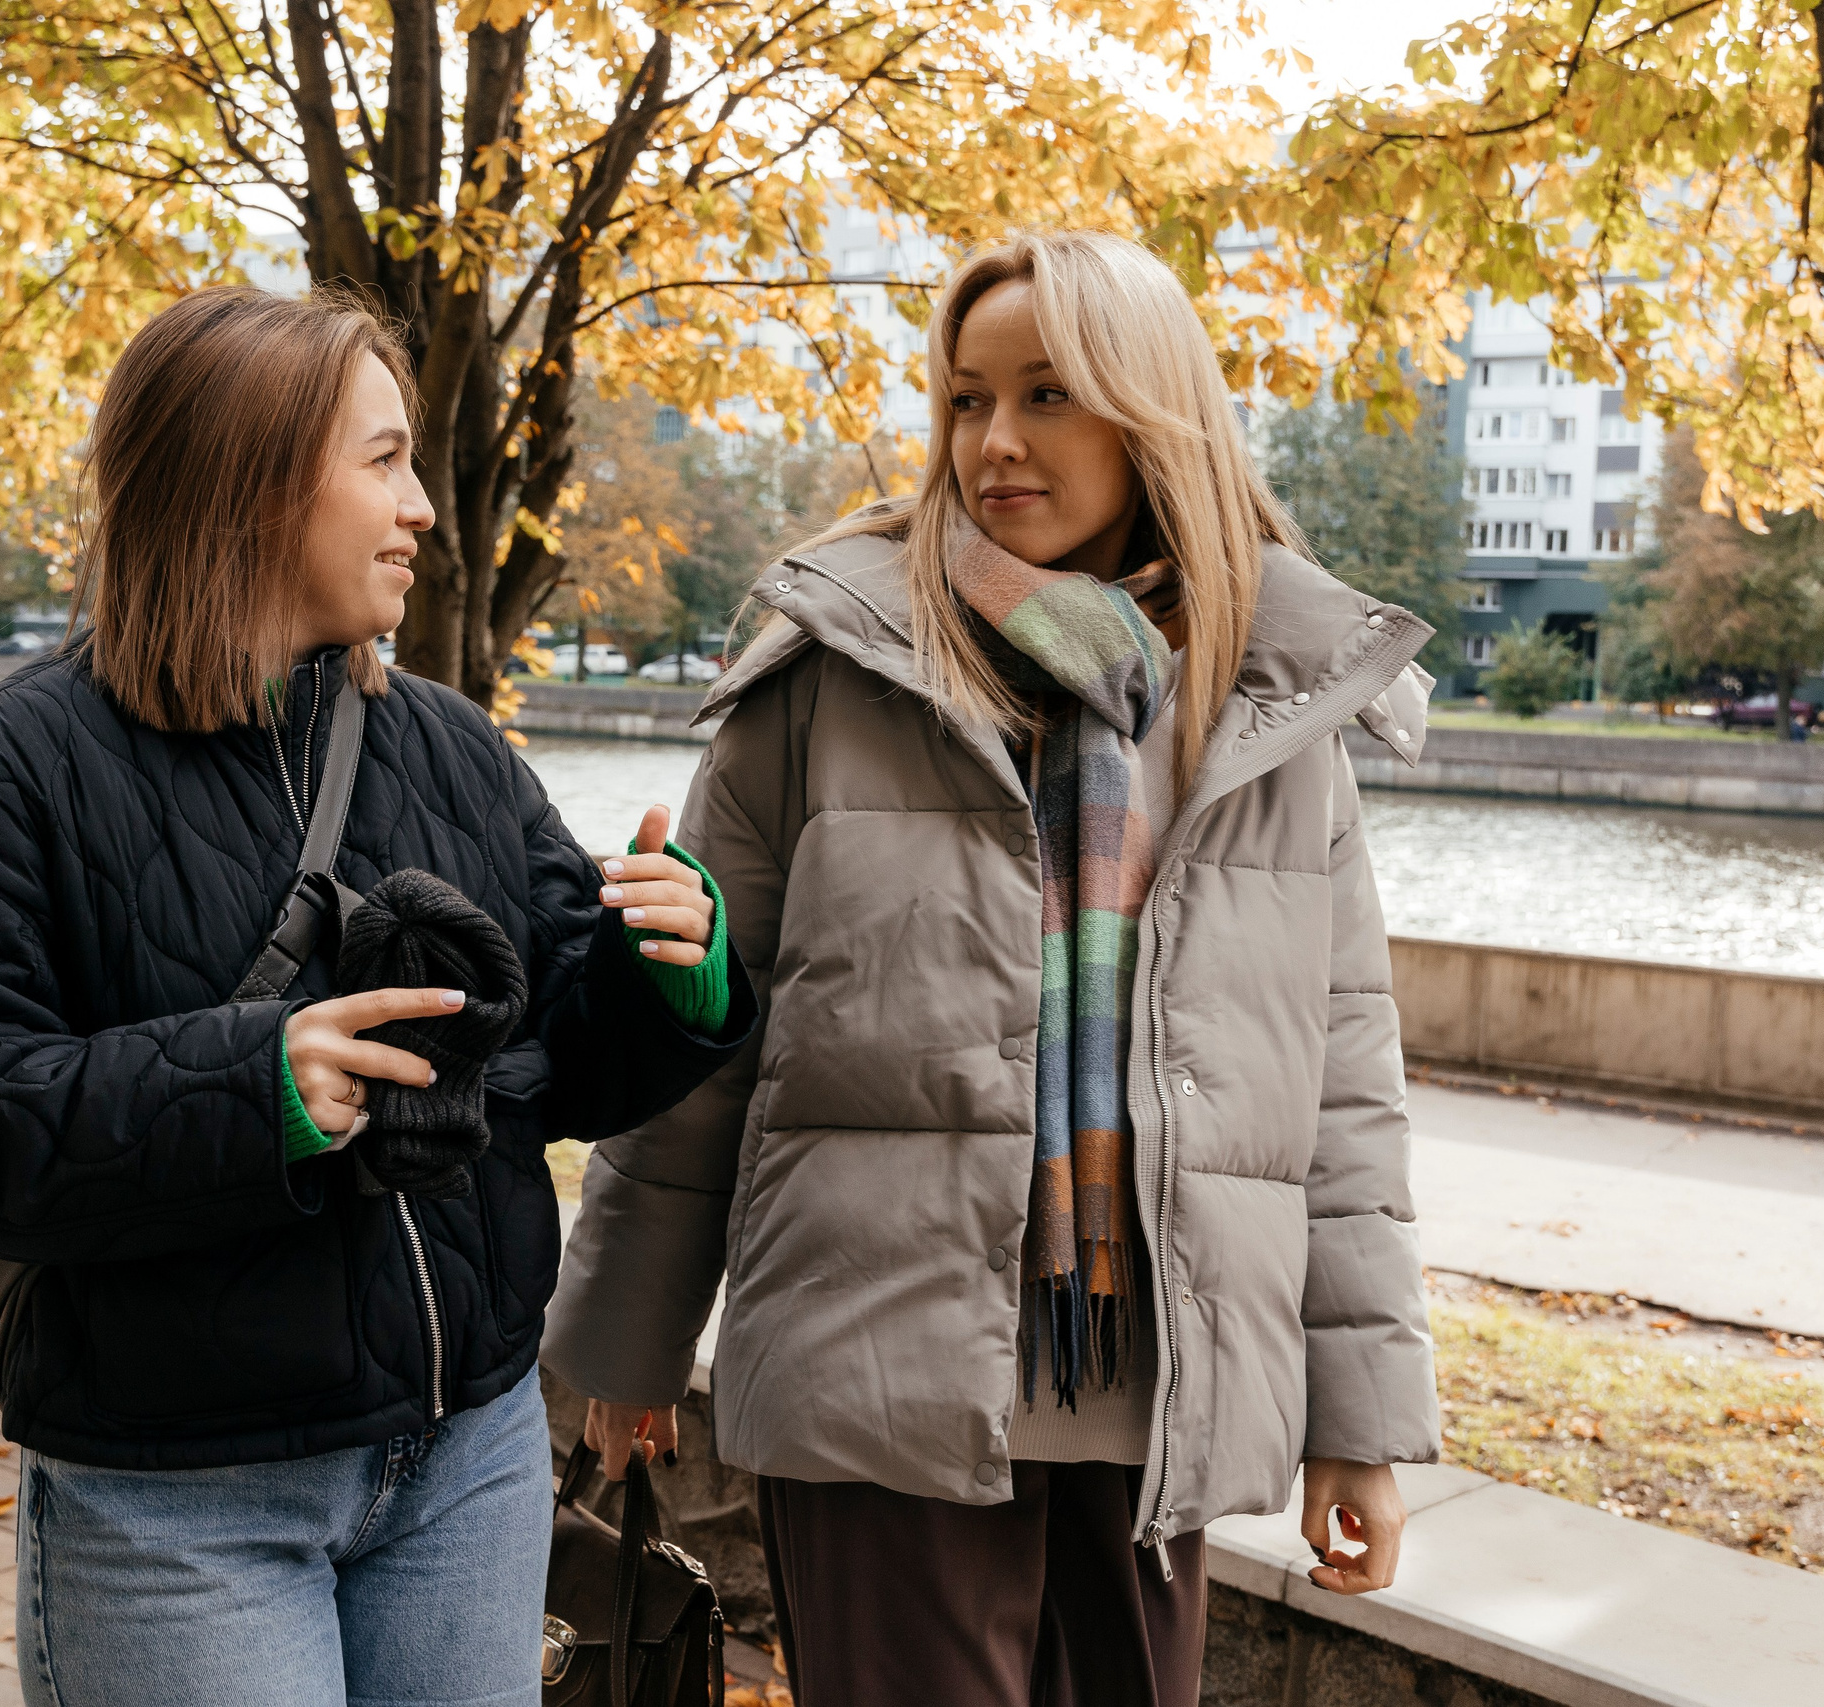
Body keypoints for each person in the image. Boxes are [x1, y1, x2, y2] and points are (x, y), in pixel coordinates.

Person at [542, 231, 1444, 1706]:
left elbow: (1338, 1104)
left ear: (1151, 415)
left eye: (1046, 397)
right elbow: (705, 1037)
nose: (995, 443)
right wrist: (632, 1342)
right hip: (875, 1379)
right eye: (967, 401)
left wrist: (1362, 1421)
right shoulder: (830, 666)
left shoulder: (1269, 705)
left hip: (1161, 1398)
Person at [0, 285, 753, 1707]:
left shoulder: (448, 745)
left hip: (470, 1457)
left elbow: (557, 1066)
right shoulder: (14, 769)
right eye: (382, 461)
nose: (426, 507)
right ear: (251, 485)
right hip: (182, 1502)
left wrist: (663, 975)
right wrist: (252, 1090)